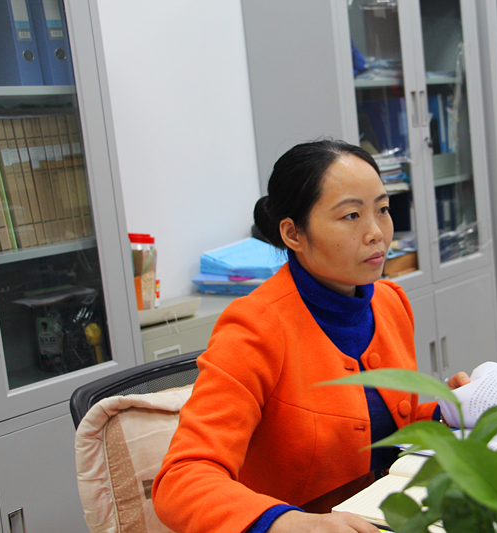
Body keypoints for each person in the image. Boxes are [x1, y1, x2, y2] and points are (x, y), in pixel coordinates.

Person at [153, 140, 469, 533]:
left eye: (383, 210)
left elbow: (384, 422)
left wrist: (448, 410)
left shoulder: (389, 302)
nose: (376, 233)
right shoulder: (255, 326)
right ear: (293, 234)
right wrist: (290, 523)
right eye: (351, 215)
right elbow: (182, 478)